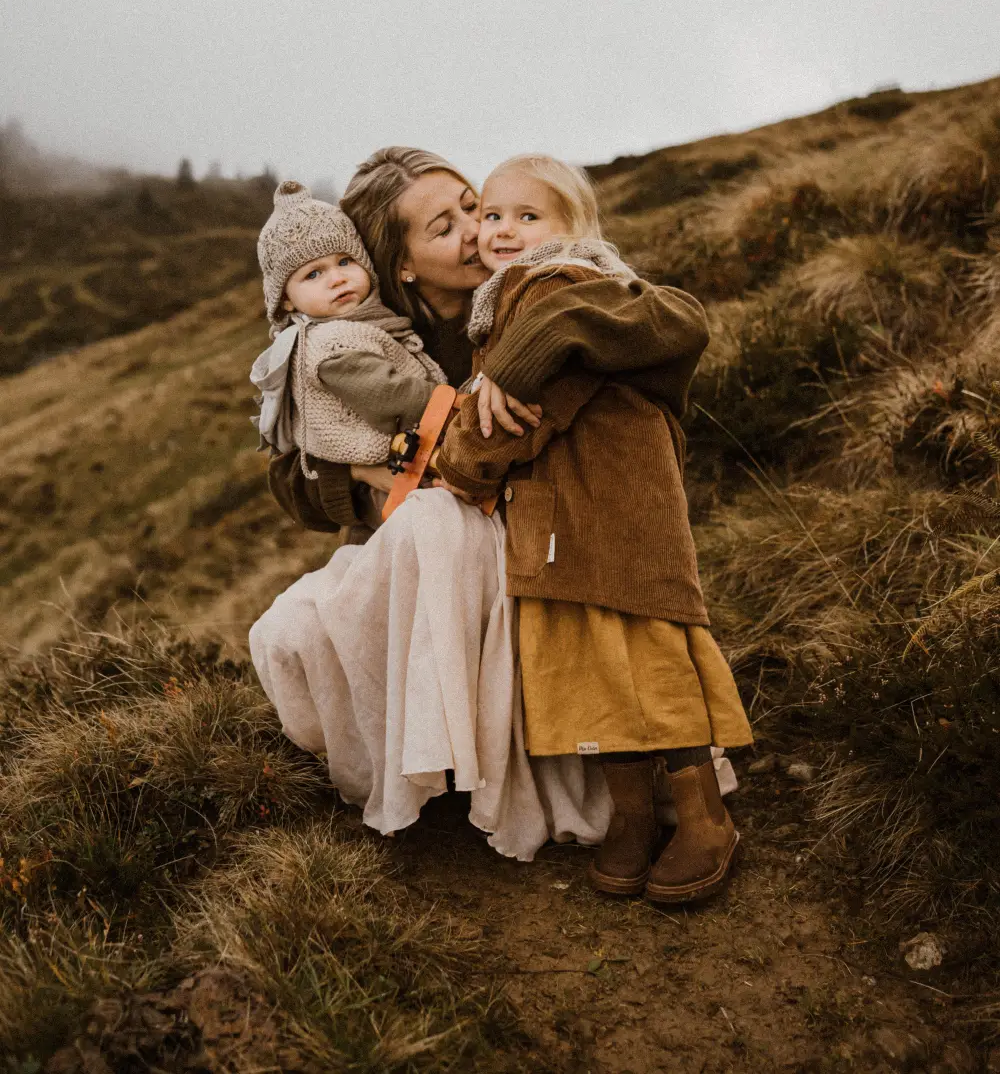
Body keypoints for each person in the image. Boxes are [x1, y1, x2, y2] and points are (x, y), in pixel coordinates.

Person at [250, 147, 738, 863]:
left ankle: (580, 782)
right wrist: (371, 473)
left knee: (454, 540)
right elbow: (295, 477)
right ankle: (442, 764)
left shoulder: (535, 285)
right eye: (445, 226)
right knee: (300, 620)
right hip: (437, 517)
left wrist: (511, 369)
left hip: (545, 517)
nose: (478, 229)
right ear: (405, 262)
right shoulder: (365, 331)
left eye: (473, 206)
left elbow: (667, 317)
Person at [435, 153, 753, 902]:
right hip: (569, 518)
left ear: (573, 229)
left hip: (612, 511)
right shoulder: (509, 302)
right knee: (590, 667)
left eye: (528, 215)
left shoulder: (559, 285)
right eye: (491, 214)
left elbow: (519, 415)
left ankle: (705, 818)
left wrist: (463, 465)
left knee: (647, 657)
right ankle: (634, 819)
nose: (502, 229)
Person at [250, 180, 445, 525]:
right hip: (385, 482)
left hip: (408, 460)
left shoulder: (370, 324)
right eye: (313, 274)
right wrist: (452, 401)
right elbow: (388, 394)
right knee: (438, 531)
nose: (337, 278)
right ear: (286, 299)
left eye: (345, 261)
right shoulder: (328, 344)